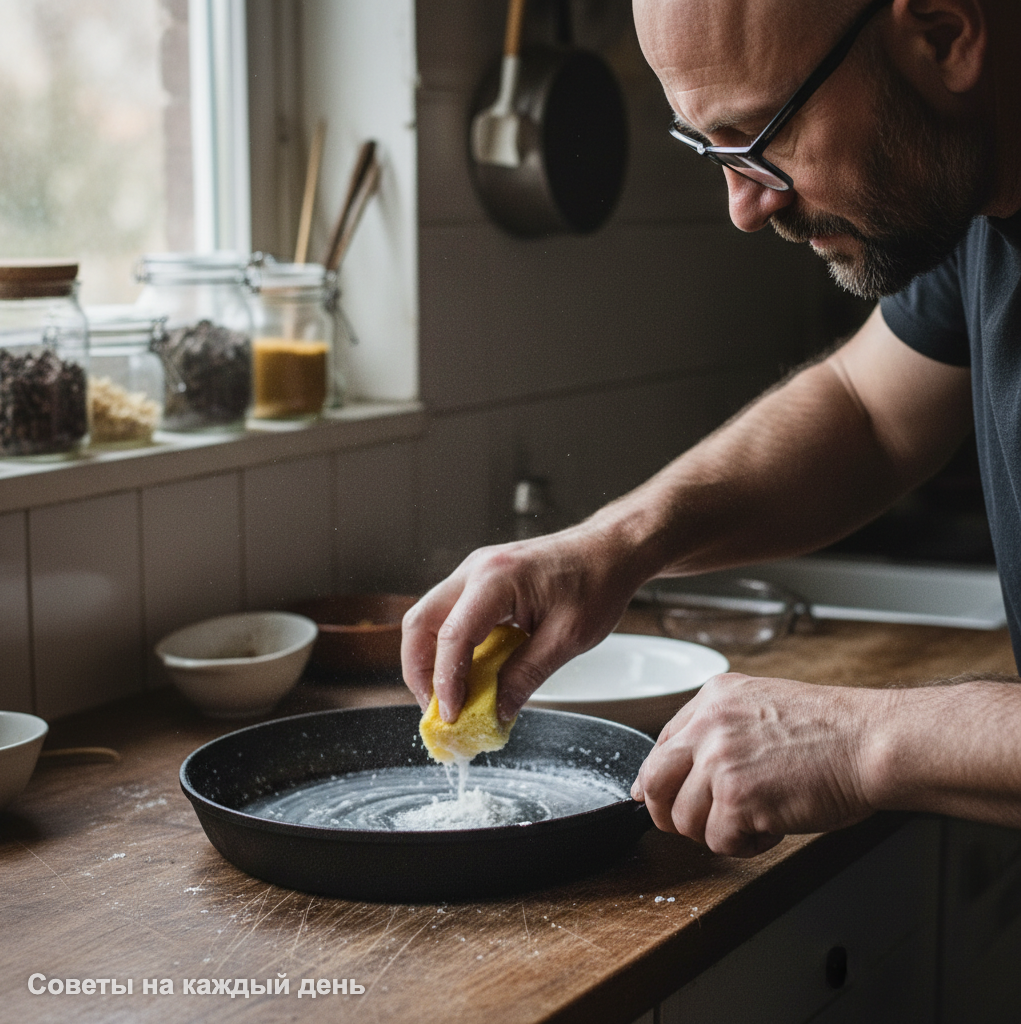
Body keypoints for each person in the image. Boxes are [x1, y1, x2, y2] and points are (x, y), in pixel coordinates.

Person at [402, 0, 1021, 858]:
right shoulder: (977, 194)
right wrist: (611, 546)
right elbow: (869, 411)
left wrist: (862, 740)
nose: (744, 205)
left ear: (945, 35)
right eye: (710, 148)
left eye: (759, 135)